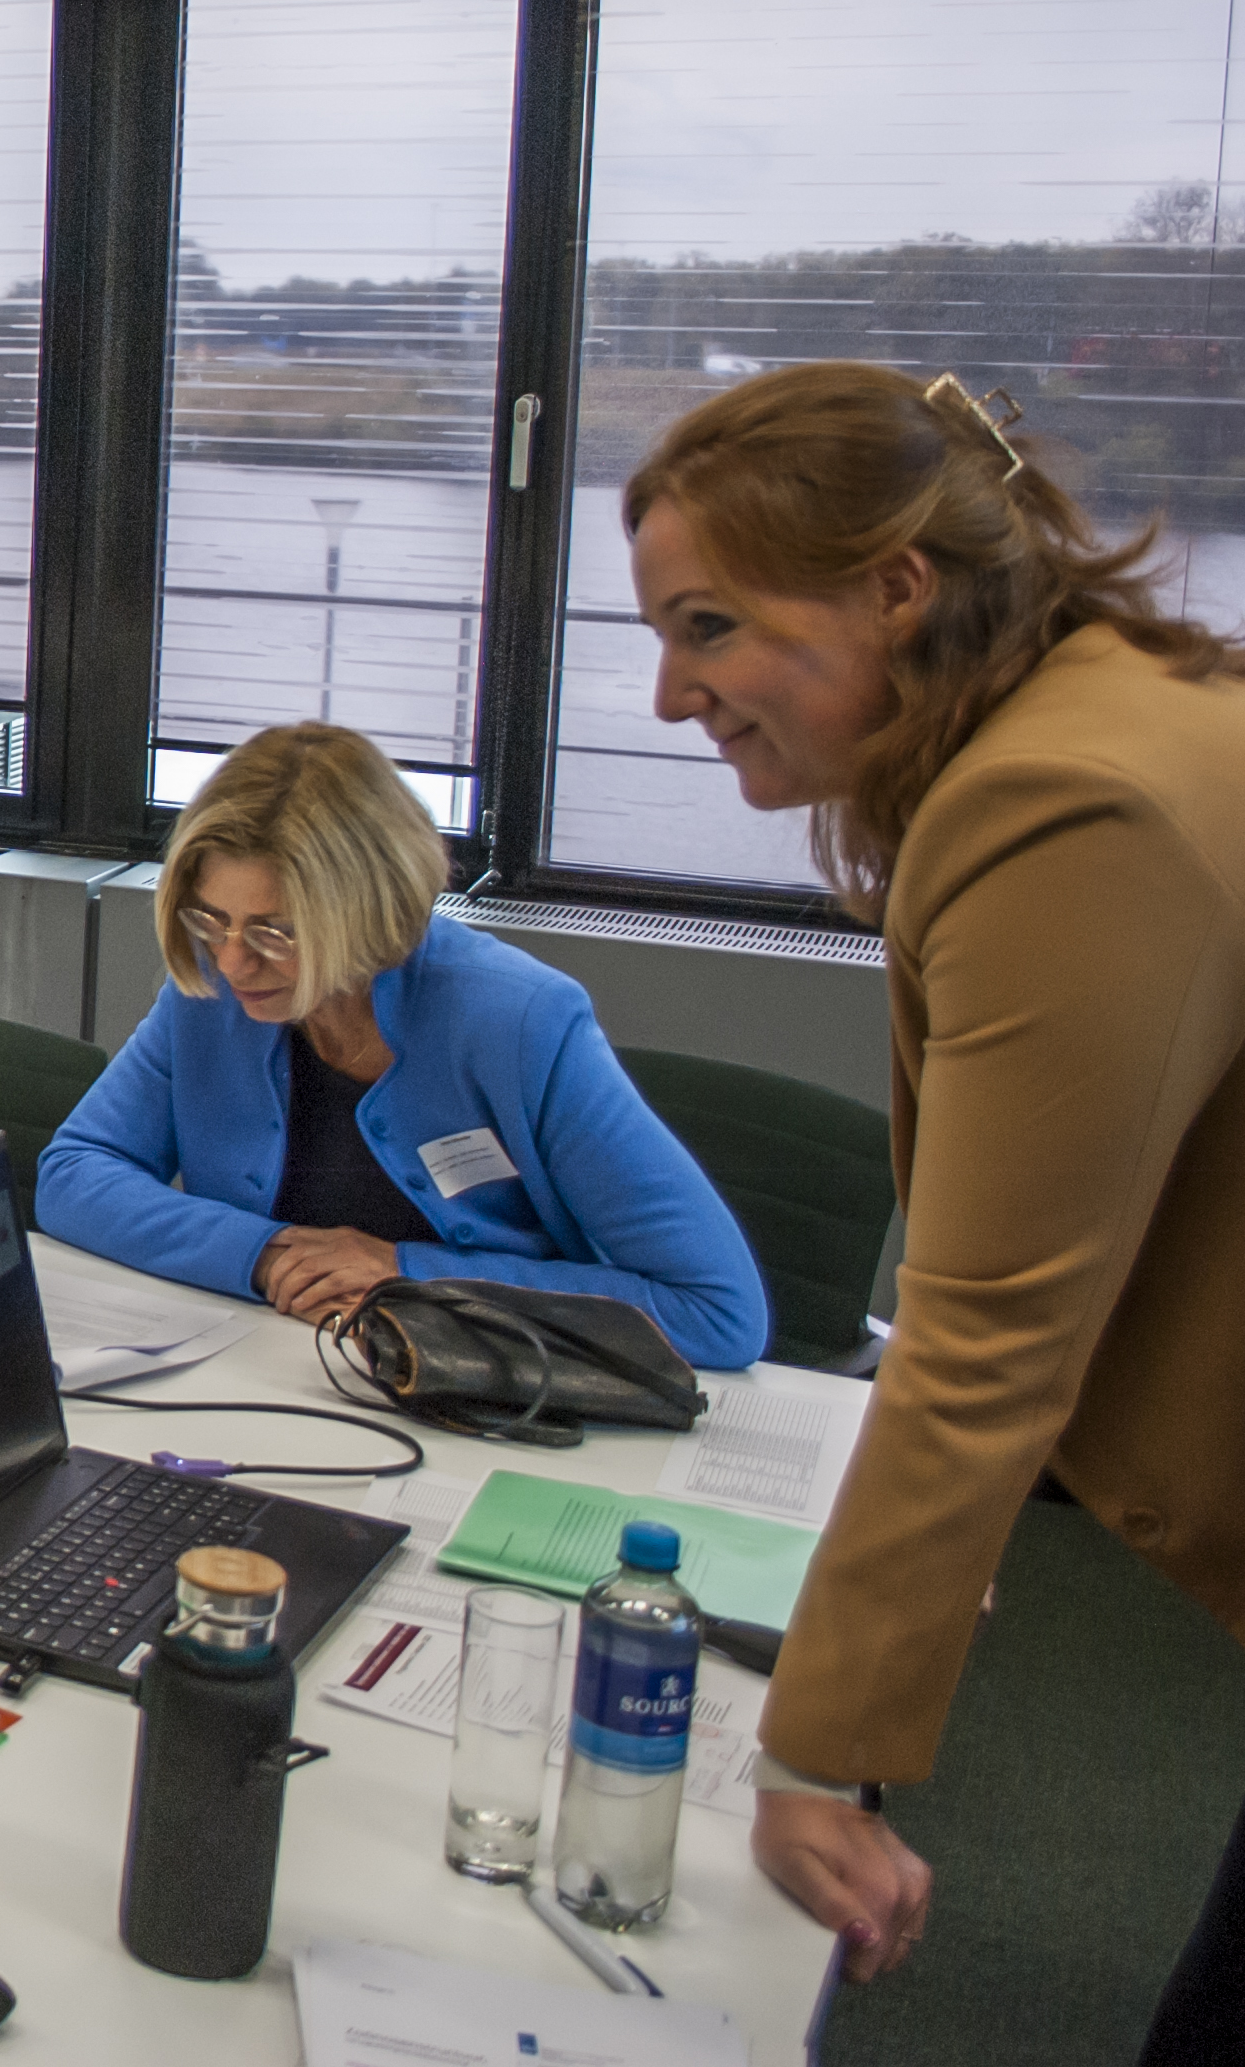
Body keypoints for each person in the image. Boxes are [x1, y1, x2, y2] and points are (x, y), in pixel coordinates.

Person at [613, 368, 1245, 2040]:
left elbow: (985, 1338)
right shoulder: (1127, 705)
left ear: (897, 586)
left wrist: (818, 1762)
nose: (669, 694)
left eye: (709, 626)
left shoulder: (1064, 803)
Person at [34, 722, 771, 1365]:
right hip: (271, 1369)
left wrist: (407, 1274)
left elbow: (716, 1312)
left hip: (477, 1394)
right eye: (210, 919)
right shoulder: (210, 996)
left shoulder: (519, 1022)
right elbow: (74, 1173)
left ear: (372, 911)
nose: (232, 963)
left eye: (275, 931)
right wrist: (264, 1256)